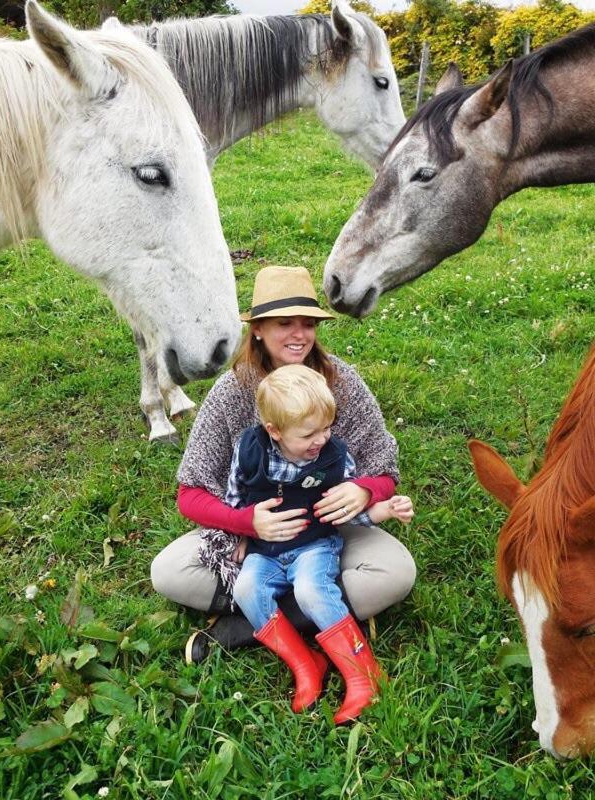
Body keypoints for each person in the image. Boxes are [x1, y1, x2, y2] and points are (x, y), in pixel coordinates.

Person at [150, 265, 417, 663]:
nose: (299, 335)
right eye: (284, 323)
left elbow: (383, 465)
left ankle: (243, 627)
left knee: (396, 572)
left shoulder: (340, 380)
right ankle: (323, 610)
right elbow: (190, 493)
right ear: (257, 328)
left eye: (307, 323)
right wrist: (245, 522)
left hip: (329, 534)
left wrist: (364, 490)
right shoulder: (230, 393)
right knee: (169, 571)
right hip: (254, 543)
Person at [229, 363, 413, 722]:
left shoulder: (333, 456)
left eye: (327, 427)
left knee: (312, 589)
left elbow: (343, 511)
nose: (321, 439)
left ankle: (364, 674)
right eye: (309, 433)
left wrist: (384, 509)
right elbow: (235, 496)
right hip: (266, 550)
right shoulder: (249, 450)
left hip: (314, 545)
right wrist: (240, 529)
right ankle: (306, 663)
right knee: (247, 588)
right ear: (274, 431)